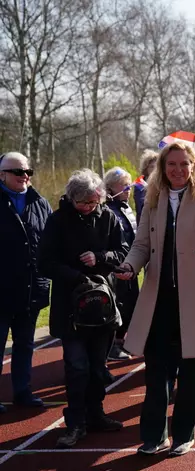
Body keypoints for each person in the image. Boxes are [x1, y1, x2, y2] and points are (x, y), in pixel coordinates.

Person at [113, 142, 195, 456]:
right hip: (159, 298)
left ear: (193, 167)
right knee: (155, 371)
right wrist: (129, 265)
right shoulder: (153, 200)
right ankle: (155, 435)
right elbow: (141, 245)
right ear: (162, 169)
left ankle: (184, 434)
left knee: (191, 373)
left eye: (184, 164)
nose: (178, 170)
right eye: (171, 165)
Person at [38, 169, 128, 448]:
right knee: (77, 367)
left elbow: (124, 250)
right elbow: (45, 262)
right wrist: (76, 275)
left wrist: (100, 257)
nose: (89, 208)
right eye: (83, 203)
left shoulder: (109, 217)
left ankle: (96, 414)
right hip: (70, 307)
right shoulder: (57, 220)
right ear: (71, 198)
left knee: (98, 367)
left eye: (93, 202)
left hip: (103, 305)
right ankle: (75, 423)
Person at [0, 152, 51, 413]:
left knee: (25, 346)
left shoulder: (40, 203)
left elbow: (51, 243)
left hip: (31, 289)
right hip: (2, 290)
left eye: (28, 171)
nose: (25, 176)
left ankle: (23, 391)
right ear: (2, 175)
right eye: (19, 172)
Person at [103, 167, 139, 361]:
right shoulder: (106, 209)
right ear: (110, 188)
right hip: (116, 268)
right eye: (124, 185)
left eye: (130, 184)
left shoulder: (127, 208)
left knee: (132, 304)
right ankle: (112, 345)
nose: (128, 188)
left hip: (131, 266)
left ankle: (122, 340)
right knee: (118, 306)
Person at [134, 149, 158, 225]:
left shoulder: (162, 183)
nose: (155, 170)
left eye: (157, 167)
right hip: (145, 224)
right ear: (146, 169)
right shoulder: (140, 184)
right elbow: (142, 206)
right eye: (152, 167)